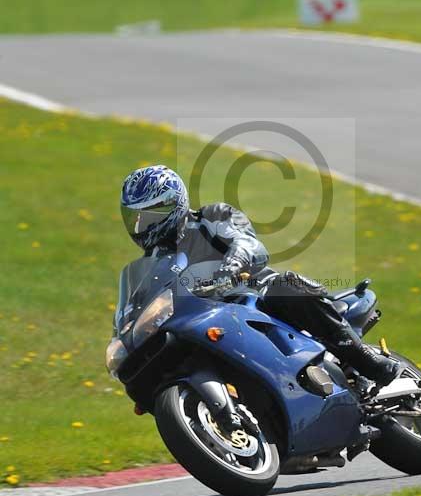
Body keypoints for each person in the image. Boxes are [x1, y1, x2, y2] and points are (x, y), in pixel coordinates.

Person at [119, 165, 398, 386]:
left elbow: (249, 243)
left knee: (284, 286)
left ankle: (364, 359)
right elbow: (138, 307)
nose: (144, 227)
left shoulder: (210, 218)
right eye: (136, 219)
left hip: (252, 292)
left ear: (175, 204)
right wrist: (124, 334)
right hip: (204, 319)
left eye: (152, 217)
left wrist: (233, 262)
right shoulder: (152, 268)